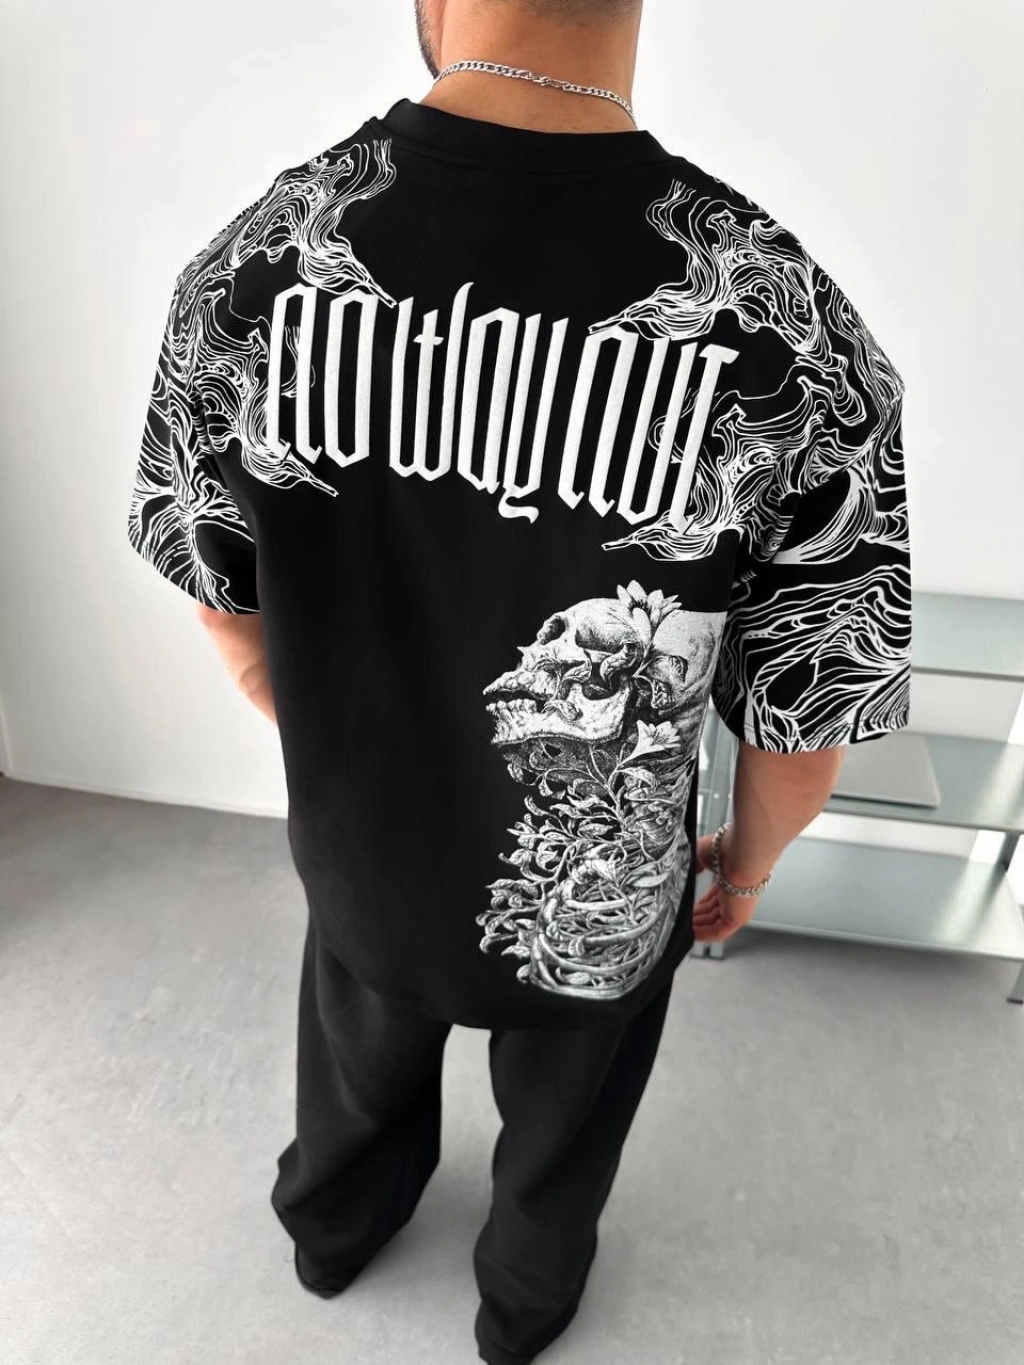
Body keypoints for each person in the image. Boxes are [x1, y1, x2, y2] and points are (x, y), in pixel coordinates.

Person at [125, 1, 911, 1360]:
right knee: (567, 1126)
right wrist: (748, 866)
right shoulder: (791, 329)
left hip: (366, 851)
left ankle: (333, 1228)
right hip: (613, 886)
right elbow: (807, 715)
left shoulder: (255, 266)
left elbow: (220, 596)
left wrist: (338, 747)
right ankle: (526, 1298)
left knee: (354, 1064)